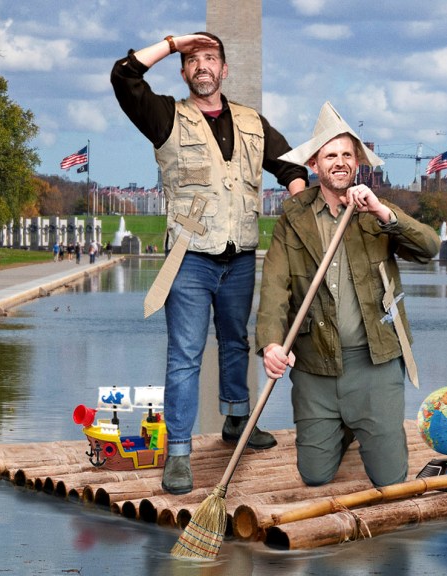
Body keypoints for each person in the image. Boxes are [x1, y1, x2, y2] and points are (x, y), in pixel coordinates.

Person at [111, 32, 308, 494]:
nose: (202, 65)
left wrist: (299, 209)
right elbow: (124, 76)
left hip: (239, 256)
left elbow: (292, 166)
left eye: (211, 58)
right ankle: (178, 451)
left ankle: (238, 420)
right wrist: (173, 42)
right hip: (189, 259)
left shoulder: (252, 122)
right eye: (193, 60)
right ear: (183, 71)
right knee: (185, 356)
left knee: (237, 342)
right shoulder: (164, 116)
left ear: (224, 69)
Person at [256, 102, 440, 488]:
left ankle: (360, 422)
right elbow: (275, 287)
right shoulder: (294, 216)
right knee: (315, 475)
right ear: (314, 165)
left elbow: (428, 248)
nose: (339, 162)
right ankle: (342, 426)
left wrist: (382, 214)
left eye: (346, 154)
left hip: (375, 363)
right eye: (330, 155)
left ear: (356, 162)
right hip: (315, 367)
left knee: (391, 479)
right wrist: (272, 345)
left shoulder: (375, 209)